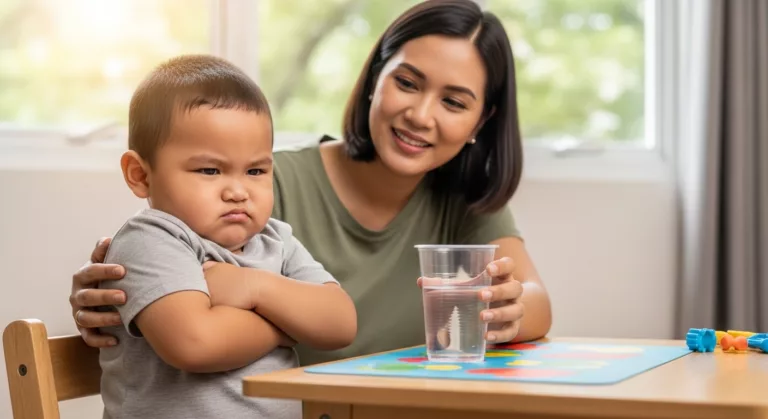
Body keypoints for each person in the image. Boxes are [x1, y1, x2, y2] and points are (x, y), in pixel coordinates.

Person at [70, 0, 552, 367]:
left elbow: (537, 303)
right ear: (373, 80)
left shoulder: (466, 201)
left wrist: (506, 309)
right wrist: (119, 292)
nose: (420, 115)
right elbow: (173, 292)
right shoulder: (262, 187)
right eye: (406, 82)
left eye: (453, 102)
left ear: (480, 121)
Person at [94, 54, 357, 419]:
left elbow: (340, 322)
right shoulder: (151, 239)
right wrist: (288, 324)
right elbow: (196, 344)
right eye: (209, 169)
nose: (237, 191)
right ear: (140, 175)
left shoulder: (275, 239)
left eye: (255, 170)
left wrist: (254, 288)